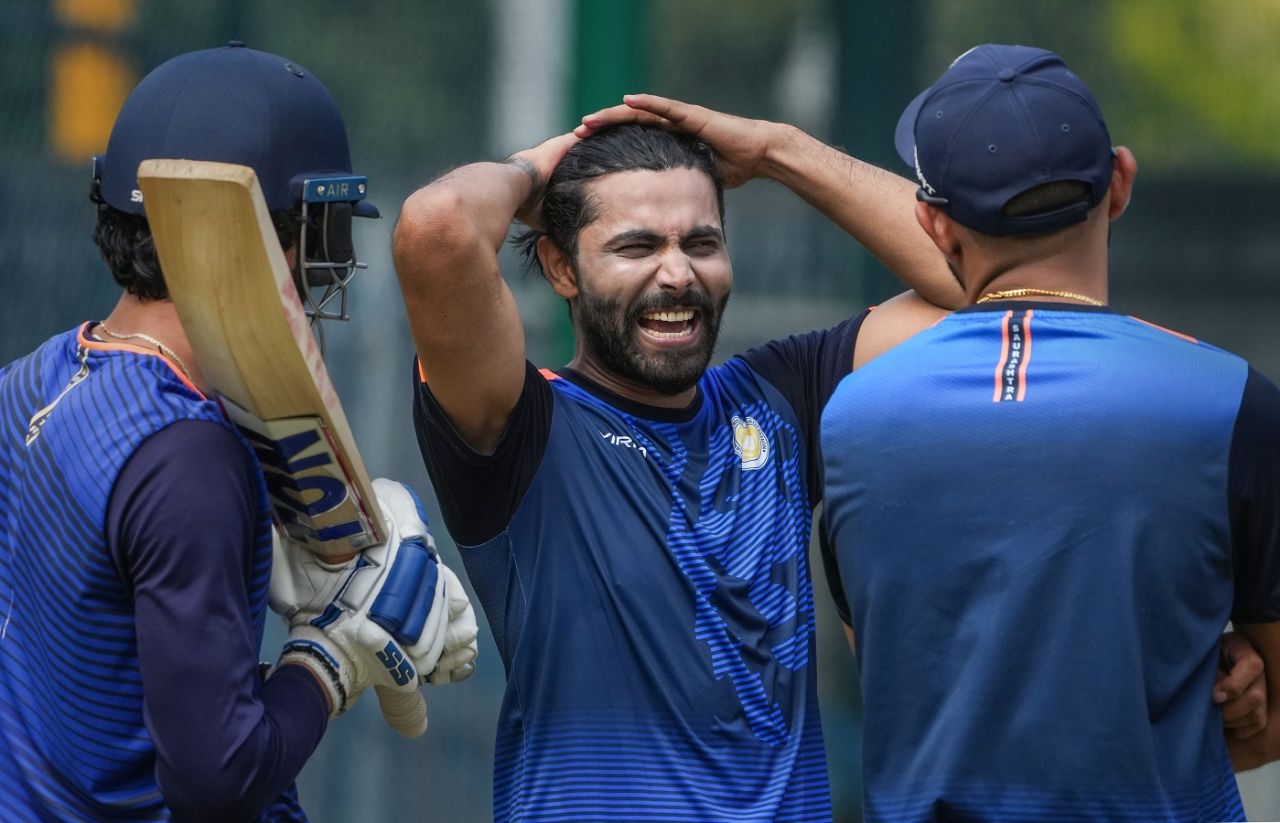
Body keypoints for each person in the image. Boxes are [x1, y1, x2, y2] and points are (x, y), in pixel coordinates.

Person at [392, 89, 1268, 819]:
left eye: (701, 240)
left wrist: (779, 152)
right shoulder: (523, 427)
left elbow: (987, 286)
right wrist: (553, 162)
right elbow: (436, 227)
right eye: (635, 246)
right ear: (559, 267)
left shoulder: (779, 396)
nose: (677, 272)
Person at [0, 44, 476, 821]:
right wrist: (328, 659)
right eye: (316, 234)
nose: (323, 269)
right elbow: (217, 776)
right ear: (242, 234)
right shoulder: (188, 455)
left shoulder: (29, 380)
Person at [814, 44, 1280, 820]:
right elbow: (1265, 730)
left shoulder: (852, 414)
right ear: (1121, 182)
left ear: (932, 222)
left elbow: (902, 684)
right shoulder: (1230, 403)